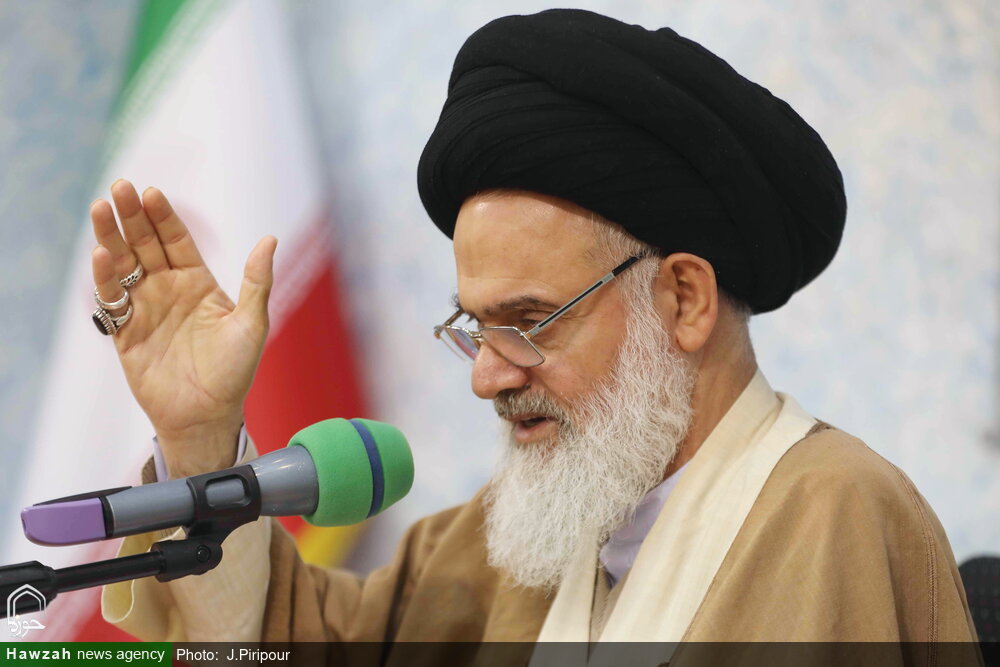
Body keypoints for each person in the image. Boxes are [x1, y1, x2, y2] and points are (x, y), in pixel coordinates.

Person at [94, 9, 977, 663]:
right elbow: (275, 645)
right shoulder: (504, 549)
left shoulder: (833, 513)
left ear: (684, 299)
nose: (487, 376)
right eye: (475, 327)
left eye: (527, 322)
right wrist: (199, 432)